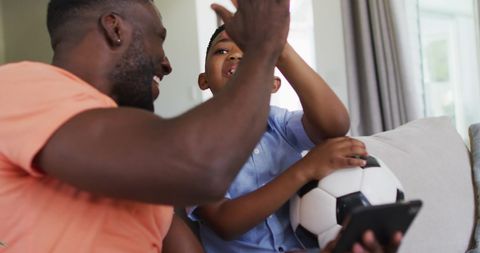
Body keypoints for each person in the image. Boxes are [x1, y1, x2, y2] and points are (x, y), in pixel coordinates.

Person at [0, 0, 401, 252]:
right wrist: (264, 45)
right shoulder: (21, 87)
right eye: (159, 38)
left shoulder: (143, 167)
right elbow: (202, 171)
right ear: (115, 27)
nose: (167, 63)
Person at [187, 22, 377, 253]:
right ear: (203, 80)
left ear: (274, 84)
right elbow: (224, 221)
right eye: (222, 51)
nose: (236, 55)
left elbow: (334, 125)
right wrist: (305, 169)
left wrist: (282, 50)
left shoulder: (281, 125)